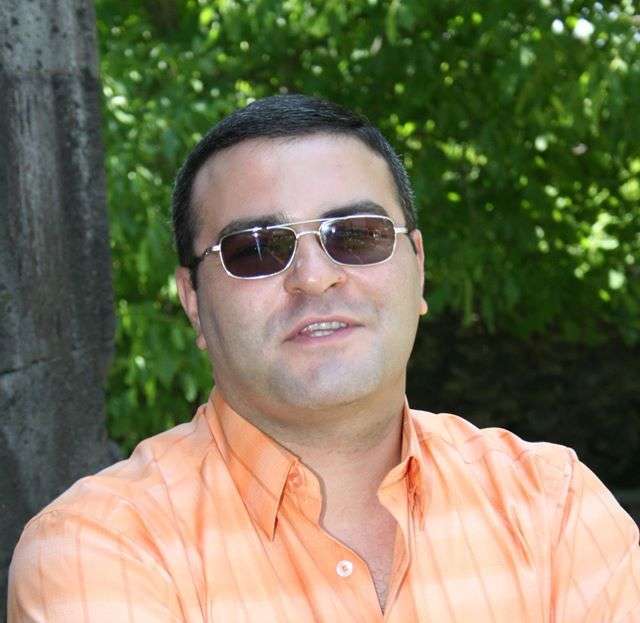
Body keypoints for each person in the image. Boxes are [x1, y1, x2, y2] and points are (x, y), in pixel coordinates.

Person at [8, 94, 640, 622]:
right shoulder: (100, 546)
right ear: (193, 301)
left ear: (419, 269)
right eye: (256, 248)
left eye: (357, 235)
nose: (314, 277)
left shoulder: (553, 504)